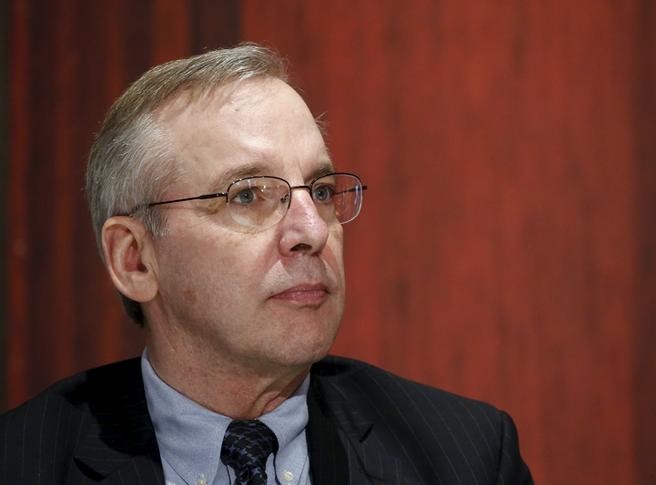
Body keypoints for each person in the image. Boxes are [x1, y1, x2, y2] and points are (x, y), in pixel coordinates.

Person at [0, 43, 533, 485]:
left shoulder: (466, 458)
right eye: (248, 196)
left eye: (321, 191)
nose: (312, 231)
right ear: (135, 259)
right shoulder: (23, 463)